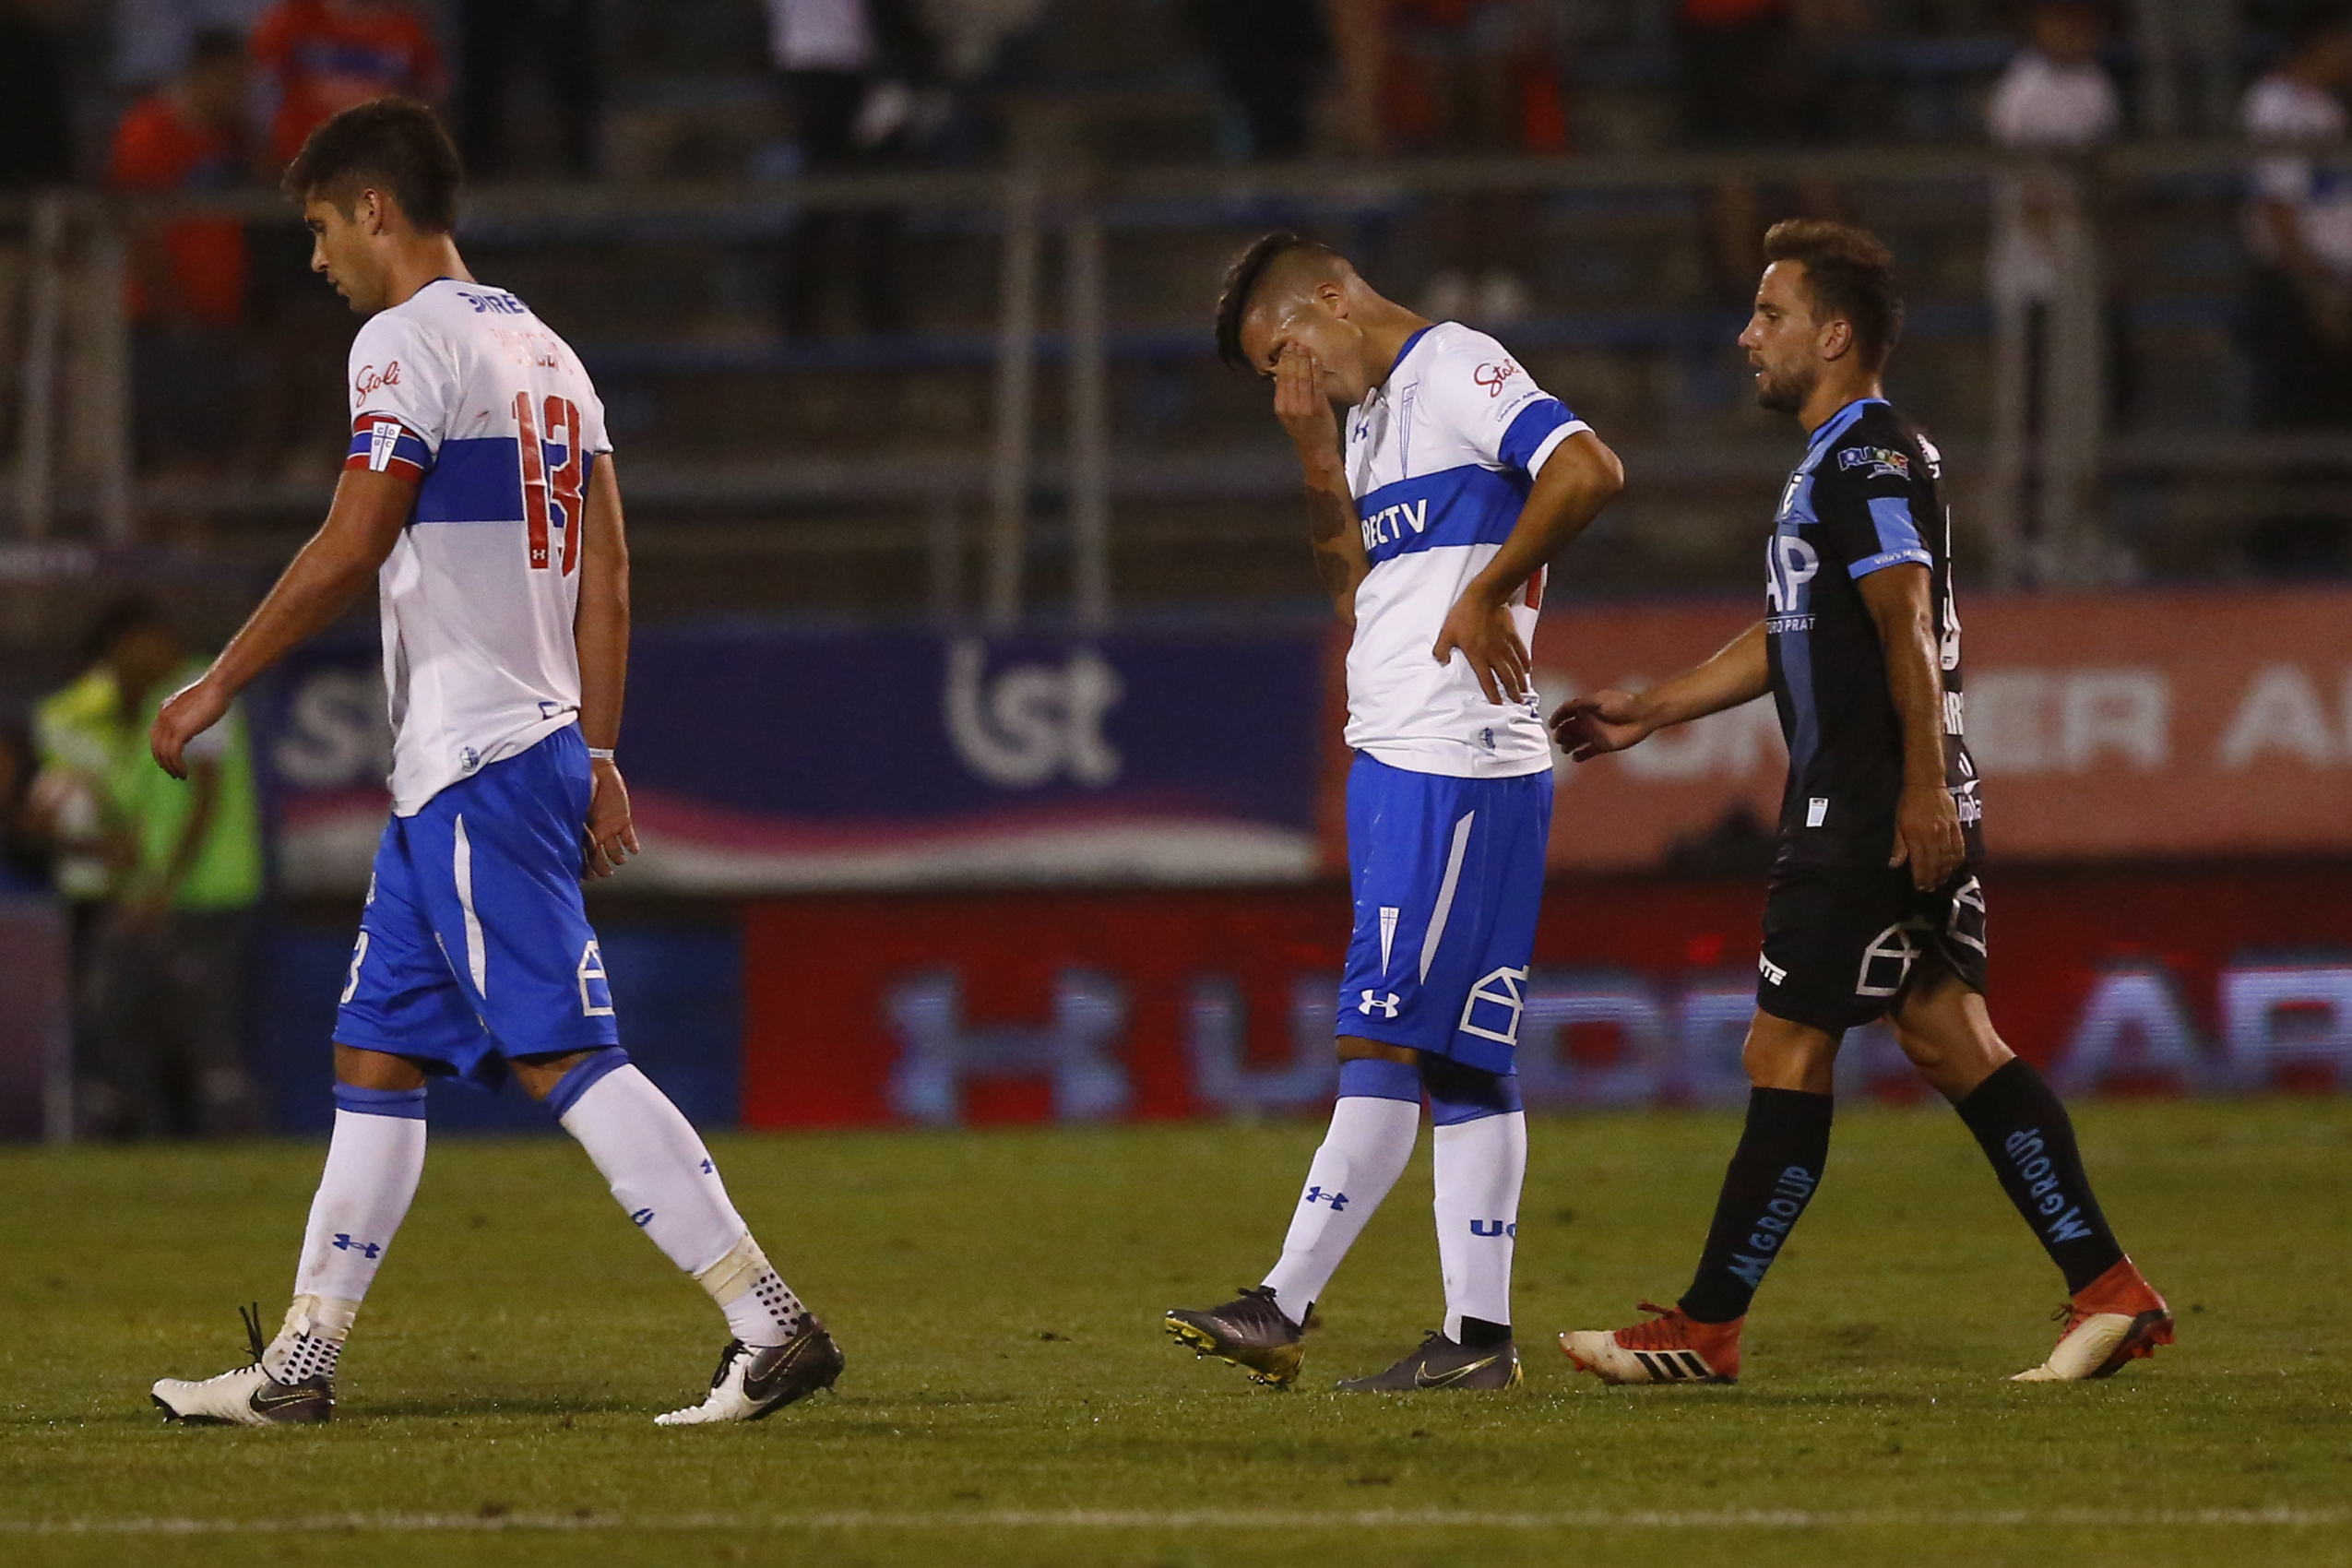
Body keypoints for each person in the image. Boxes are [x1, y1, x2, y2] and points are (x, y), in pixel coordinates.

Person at [148, 99, 839, 1427]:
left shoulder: (399, 343)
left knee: (561, 1054)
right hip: (488, 758)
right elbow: (612, 573)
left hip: (472, 754)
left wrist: (216, 683)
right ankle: (300, 1367)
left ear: (373, 211)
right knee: (374, 1060)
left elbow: (353, 543)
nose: (315, 262)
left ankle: (771, 1321)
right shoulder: (551, 352)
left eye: (317, 230)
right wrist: (598, 746)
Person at [1552, 220, 2172, 1385]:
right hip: (1899, 795)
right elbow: (1800, 627)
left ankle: (1706, 1326)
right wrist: (1659, 706)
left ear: (1834, 335)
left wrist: (1922, 784)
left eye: (1770, 315)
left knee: (1784, 1047)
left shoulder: (1865, 456)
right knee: (1948, 1033)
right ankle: (2110, 1287)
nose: (1748, 336)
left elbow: (1902, 609)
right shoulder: (1845, 454)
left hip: (1870, 803)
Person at [1163, 232, 1624, 1391]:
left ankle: (1282, 1302)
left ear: (1331, 297)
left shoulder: (1460, 366)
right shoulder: (1366, 423)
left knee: (1381, 1031)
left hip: (1455, 758)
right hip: (1401, 755)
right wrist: (1316, 449)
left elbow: (1588, 469)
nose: (1292, 378)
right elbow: (1358, 594)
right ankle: (1476, 1341)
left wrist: (1484, 590)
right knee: (1465, 1062)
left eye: (1288, 353)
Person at [84, 599, 266, 1138]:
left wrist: (163, 886)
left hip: (209, 892)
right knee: (139, 1015)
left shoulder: (203, 690)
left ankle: (233, 1135)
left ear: (148, 637)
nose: (122, 668)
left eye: (123, 654)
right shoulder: (149, 710)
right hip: (169, 894)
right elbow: (147, 817)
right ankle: (140, 1129)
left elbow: (205, 800)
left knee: (203, 1020)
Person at [1983, 0, 2120, 585]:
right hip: (2035, 278)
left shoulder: (2095, 86)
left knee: (2083, 414)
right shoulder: (2022, 92)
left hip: (2083, 271)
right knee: (2033, 415)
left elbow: (2109, 178)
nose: (2075, 31)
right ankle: (2026, 541)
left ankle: (2075, 533)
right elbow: (2029, 190)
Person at [111, 28, 262, 476]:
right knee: (171, 446)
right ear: (205, 75)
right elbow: (138, 232)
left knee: (218, 442)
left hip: (220, 316)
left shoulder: (230, 141)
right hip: (162, 320)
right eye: (233, 81)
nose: (241, 93)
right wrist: (171, 308)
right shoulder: (149, 131)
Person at [2242, 6, 2352, 431]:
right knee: (2301, 419)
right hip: (2299, 288)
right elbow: (2279, 210)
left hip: (2335, 280)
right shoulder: (2276, 106)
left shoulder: (2326, 107)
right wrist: (2317, 292)